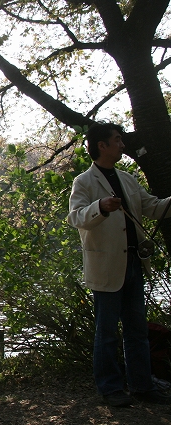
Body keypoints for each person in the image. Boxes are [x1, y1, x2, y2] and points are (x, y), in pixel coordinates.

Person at [68, 122, 171, 407]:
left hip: (134, 264)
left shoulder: (127, 179)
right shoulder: (84, 182)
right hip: (106, 266)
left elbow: (151, 207)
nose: (123, 145)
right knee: (106, 331)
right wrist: (100, 207)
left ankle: (142, 386)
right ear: (102, 145)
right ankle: (110, 389)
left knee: (137, 329)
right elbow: (76, 217)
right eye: (117, 140)